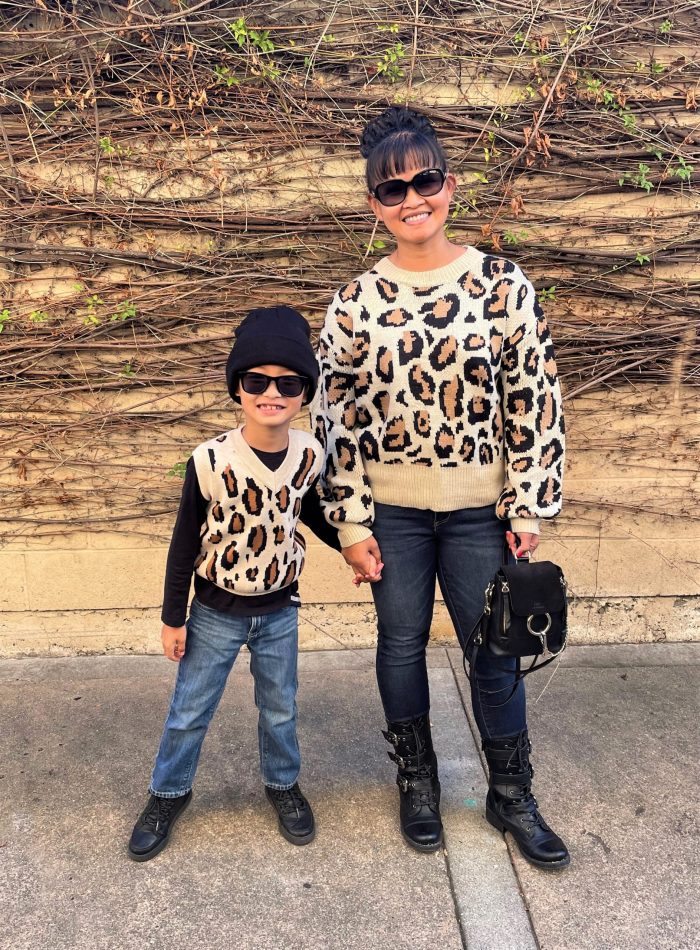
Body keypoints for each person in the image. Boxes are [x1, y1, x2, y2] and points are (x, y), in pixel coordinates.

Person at [315, 106, 569, 869]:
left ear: (449, 185)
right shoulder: (355, 302)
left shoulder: (502, 283)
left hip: (476, 514)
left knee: (493, 653)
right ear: (373, 205)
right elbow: (337, 418)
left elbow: (534, 398)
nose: (411, 198)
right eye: (392, 189)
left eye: (425, 179)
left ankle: (511, 794)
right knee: (399, 646)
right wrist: (351, 523)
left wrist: (528, 503)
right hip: (389, 512)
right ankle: (418, 783)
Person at [128, 305, 340, 862]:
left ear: (304, 392)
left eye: (288, 383)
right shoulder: (210, 460)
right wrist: (174, 617)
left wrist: (353, 545)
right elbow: (182, 543)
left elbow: (308, 512)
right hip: (215, 613)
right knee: (190, 709)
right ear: (237, 388)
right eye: (256, 381)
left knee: (280, 707)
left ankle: (282, 785)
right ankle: (167, 793)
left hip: (280, 612)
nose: (272, 393)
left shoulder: (310, 455)